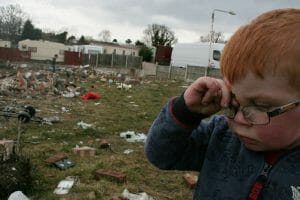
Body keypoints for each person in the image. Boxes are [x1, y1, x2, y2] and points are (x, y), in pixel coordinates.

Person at [145, 8, 300, 200]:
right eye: (233, 104)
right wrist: (185, 111)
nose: (239, 120)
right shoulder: (220, 137)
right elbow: (161, 155)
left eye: (260, 106)